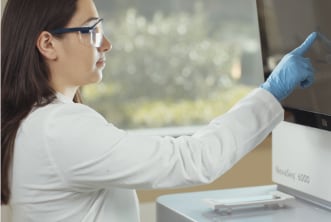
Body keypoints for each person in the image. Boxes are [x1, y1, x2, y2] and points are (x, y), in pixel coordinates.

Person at [1, 0, 318, 221]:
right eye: (91, 30)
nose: (106, 43)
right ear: (47, 44)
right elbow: (190, 160)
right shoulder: (60, 128)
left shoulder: (34, 121)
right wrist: (271, 91)